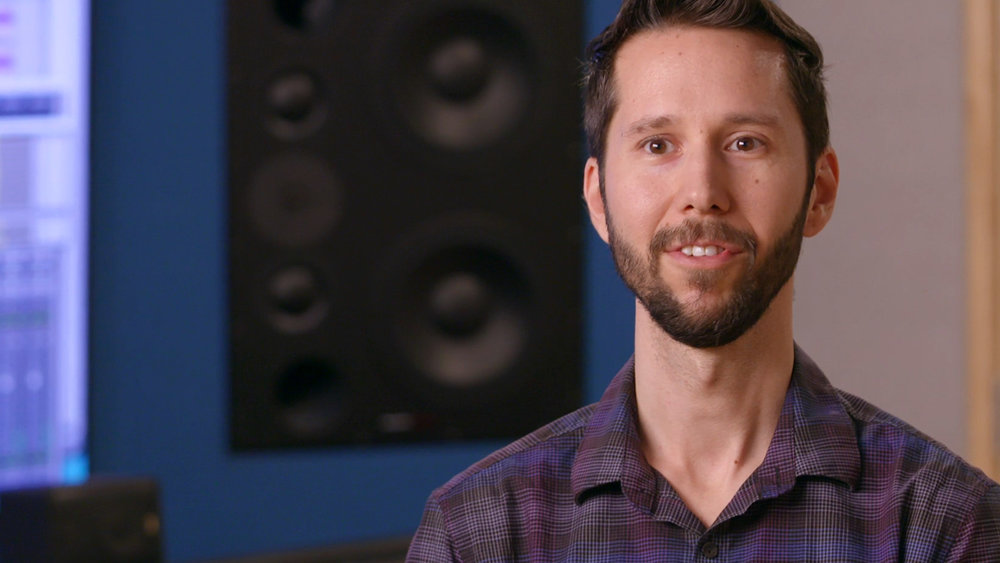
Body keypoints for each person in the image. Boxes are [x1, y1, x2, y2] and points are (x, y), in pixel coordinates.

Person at [405, 0, 1000, 560]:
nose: (702, 193)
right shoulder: (479, 535)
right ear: (599, 199)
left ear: (819, 192)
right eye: (657, 144)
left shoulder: (946, 526)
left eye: (745, 143)